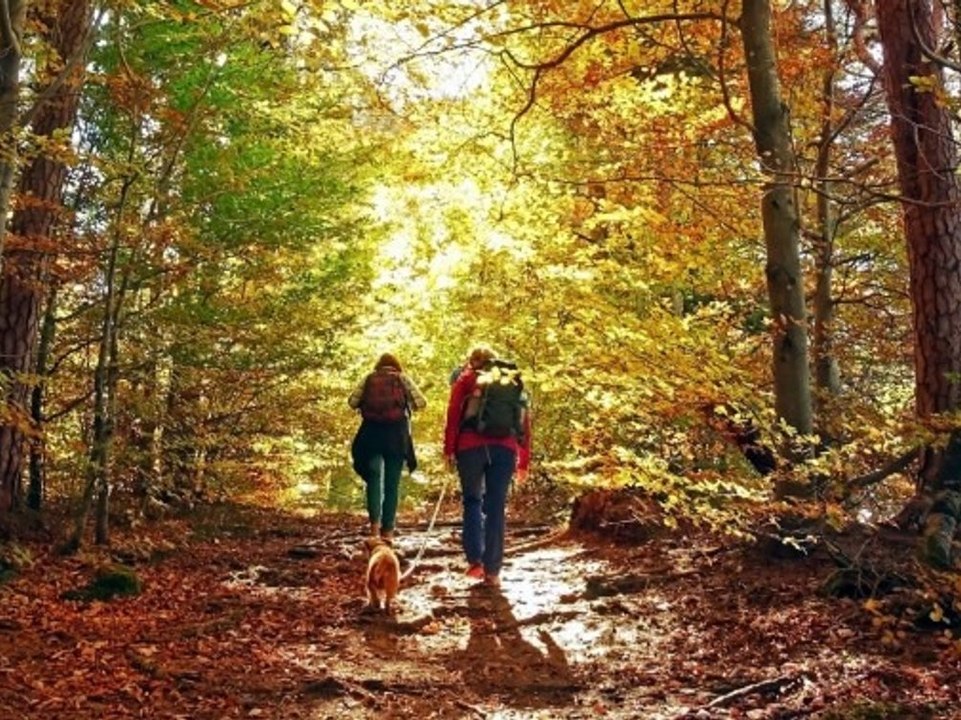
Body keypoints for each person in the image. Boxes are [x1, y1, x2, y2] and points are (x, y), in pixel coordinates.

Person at [443, 345, 531, 587]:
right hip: (505, 448)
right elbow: (524, 420)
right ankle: (493, 571)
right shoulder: (512, 381)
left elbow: (453, 415)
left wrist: (449, 449)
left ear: (471, 361)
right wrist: (524, 459)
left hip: (469, 447)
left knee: (472, 501)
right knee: (496, 506)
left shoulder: (466, 379)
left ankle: (475, 562)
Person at [349, 353, 426, 541]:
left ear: (378, 365)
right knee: (392, 484)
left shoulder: (368, 378)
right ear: (396, 365)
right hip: (396, 435)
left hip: (371, 434)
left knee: (374, 478)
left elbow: (352, 402)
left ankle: (374, 527)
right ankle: (388, 531)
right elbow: (421, 403)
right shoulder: (402, 378)